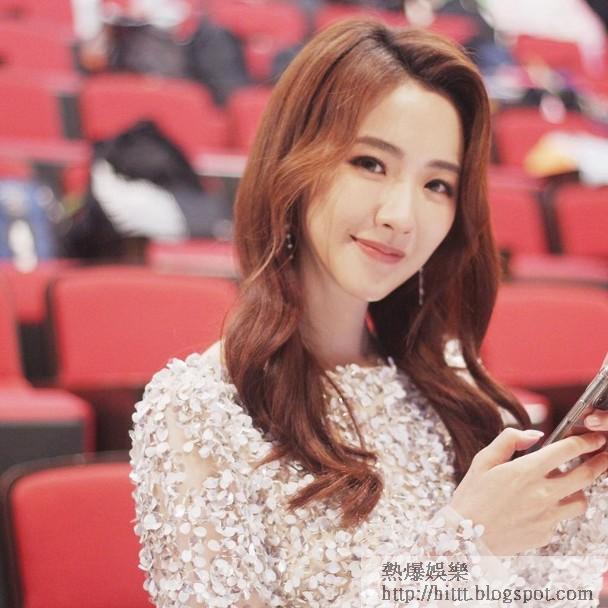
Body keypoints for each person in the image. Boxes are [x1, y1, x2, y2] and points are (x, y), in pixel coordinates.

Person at [129, 19, 608, 607]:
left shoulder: (449, 384)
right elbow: (465, 568)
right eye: (371, 164)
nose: (401, 215)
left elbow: (537, 595)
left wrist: (591, 480)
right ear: (294, 161)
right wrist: (465, 548)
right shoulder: (198, 408)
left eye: (437, 185)